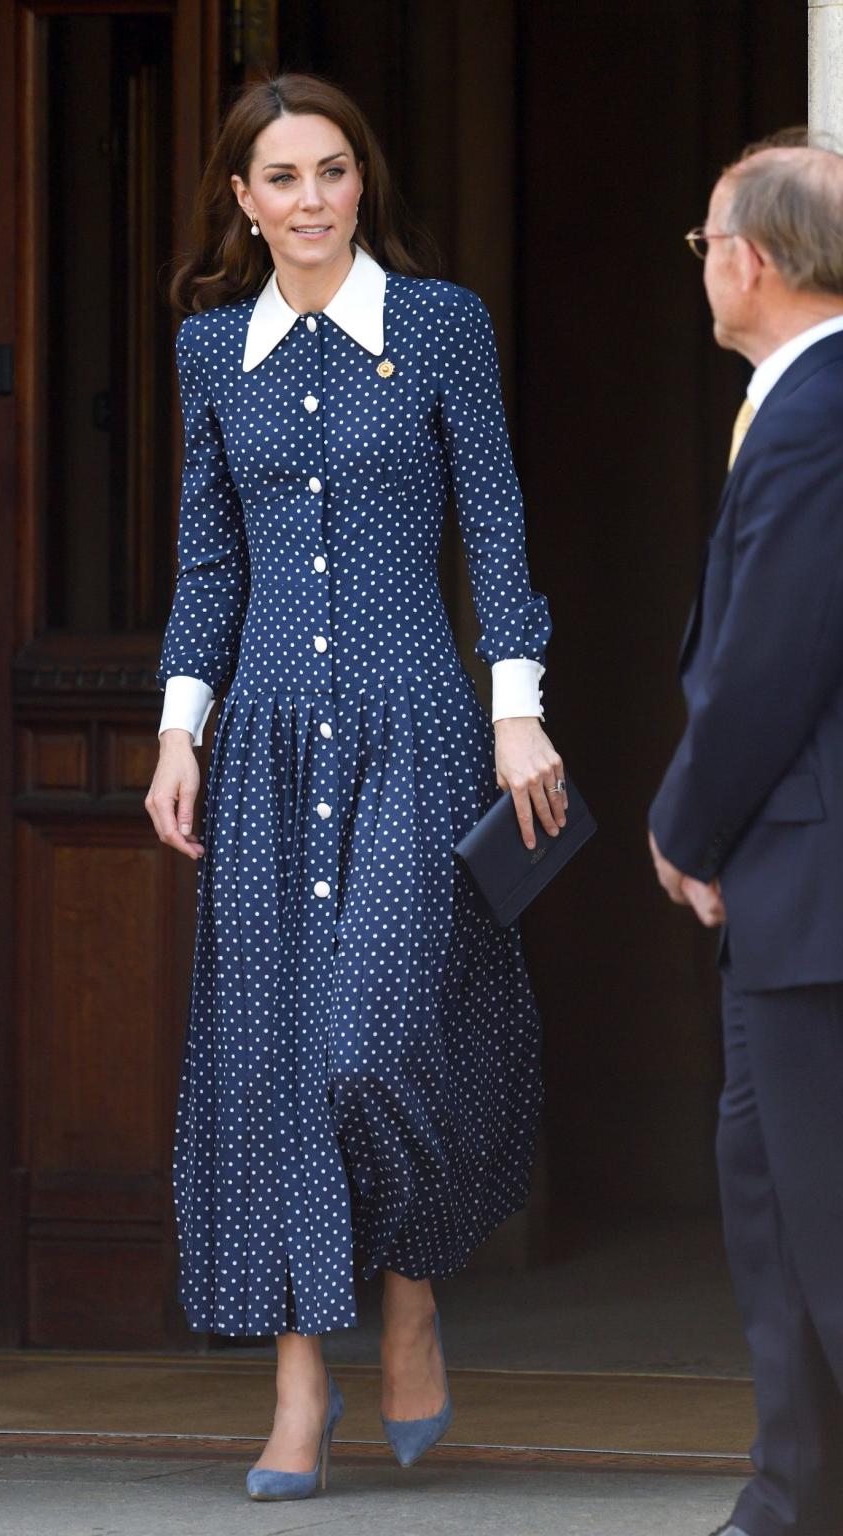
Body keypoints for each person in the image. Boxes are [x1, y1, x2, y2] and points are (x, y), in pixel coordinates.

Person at [144, 74, 564, 1502]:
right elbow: (210, 562)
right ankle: (298, 1382)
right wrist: (174, 731)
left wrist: (520, 714)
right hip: (260, 739)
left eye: (332, 172)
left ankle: (410, 1292)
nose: (313, 199)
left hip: (414, 730)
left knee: (371, 1048)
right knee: (272, 1065)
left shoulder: (441, 327)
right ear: (244, 203)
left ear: (358, 184)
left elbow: (496, 528)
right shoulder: (213, 352)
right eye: (283, 179)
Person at [650, 144, 843, 1536]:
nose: (704, 259)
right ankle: (790, 1497)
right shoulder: (797, 400)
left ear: (751, 260)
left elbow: (771, 659)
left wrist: (682, 824)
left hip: (812, 881)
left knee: (822, 1225)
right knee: (775, 1205)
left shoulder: (820, 409)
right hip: (792, 890)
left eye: (706, 238)